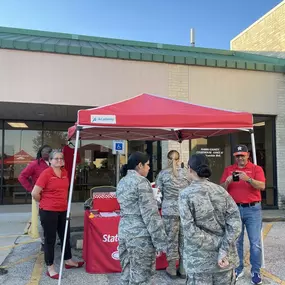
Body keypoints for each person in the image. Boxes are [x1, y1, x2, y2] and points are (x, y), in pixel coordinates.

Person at [179, 154, 241, 285]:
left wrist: (217, 244)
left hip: (199, 262)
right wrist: (223, 248)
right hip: (224, 260)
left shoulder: (185, 195)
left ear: (190, 169)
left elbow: (190, 231)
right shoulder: (222, 191)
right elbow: (235, 224)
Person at [116, 151, 168, 285]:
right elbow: (150, 214)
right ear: (139, 165)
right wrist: (160, 242)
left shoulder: (122, 181)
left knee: (127, 273)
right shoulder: (141, 182)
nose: (149, 168)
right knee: (141, 277)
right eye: (147, 165)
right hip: (140, 236)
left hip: (124, 231)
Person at [31, 150, 84, 280]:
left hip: (63, 209)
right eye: (56, 158)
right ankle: (50, 267)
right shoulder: (46, 174)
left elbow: (64, 191)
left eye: (61, 158)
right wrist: (44, 202)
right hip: (48, 211)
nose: (59, 160)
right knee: (50, 240)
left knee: (65, 235)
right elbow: (34, 193)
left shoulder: (65, 173)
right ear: (50, 161)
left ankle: (68, 260)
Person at [220, 144, 266, 285]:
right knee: (236, 242)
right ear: (235, 157)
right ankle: (239, 269)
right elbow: (220, 190)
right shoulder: (229, 169)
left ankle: (255, 271)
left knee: (255, 243)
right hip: (234, 209)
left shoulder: (256, 169)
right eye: (237, 156)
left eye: (242, 155)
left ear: (248, 155)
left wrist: (248, 179)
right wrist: (227, 182)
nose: (240, 158)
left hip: (253, 210)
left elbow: (262, 186)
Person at [155, 150, 190, 279]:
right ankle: (183, 268)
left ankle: (171, 268)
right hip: (184, 211)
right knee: (184, 239)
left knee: (171, 239)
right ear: (179, 159)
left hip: (169, 211)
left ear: (167, 160)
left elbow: (158, 194)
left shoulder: (163, 174)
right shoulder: (186, 173)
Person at [18, 145, 52, 249]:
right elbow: (22, 177)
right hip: (41, 197)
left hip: (54, 197)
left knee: (54, 219)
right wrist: (31, 189)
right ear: (40, 153)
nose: (46, 153)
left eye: (49, 151)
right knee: (43, 220)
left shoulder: (55, 163)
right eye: (44, 151)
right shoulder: (35, 164)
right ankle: (43, 242)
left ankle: (52, 239)